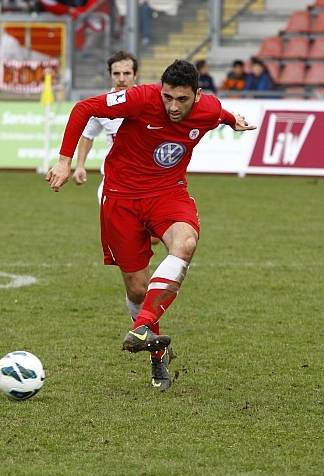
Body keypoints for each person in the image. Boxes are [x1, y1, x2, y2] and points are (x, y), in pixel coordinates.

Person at [47, 61, 255, 390]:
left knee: (185, 242)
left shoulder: (208, 108)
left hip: (168, 193)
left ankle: (142, 325)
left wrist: (234, 122)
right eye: (168, 97)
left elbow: (220, 114)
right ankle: (157, 355)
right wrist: (64, 160)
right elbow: (84, 108)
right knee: (137, 290)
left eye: (182, 100)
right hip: (121, 199)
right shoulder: (141, 99)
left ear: (197, 95)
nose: (173, 106)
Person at [73, 51, 139, 204]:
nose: (121, 79)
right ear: (110, 75)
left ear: (136, 74)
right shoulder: (101, 106)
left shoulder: (151, 102)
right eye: (116, 73)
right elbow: (88, 135)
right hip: (113, 180)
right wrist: (80, 165)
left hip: (146, 182)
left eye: (127, 73)